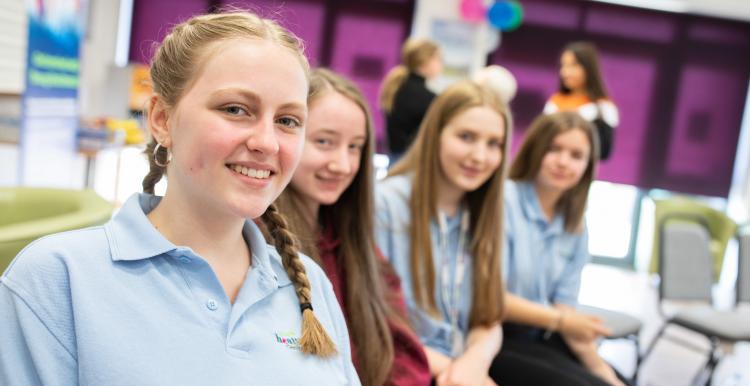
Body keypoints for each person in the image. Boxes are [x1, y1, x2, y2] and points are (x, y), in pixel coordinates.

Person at [0, 12, 360, 386]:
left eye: (288, 121)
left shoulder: (308, 284)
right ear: (161, 119)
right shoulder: (57, 278)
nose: (267, 142)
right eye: (235, 109)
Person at [275, 68, 431, 386]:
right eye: (324, 142)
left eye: (355, 147)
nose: (342, 165)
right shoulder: (256, 242)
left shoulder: (352, 240)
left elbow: (404, 351)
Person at [375, 80, 510, 386]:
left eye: (493, 144)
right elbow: (370, 321)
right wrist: (456, 371)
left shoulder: (482, 215)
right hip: (400, 366)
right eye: (466, 137)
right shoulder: (385, 205)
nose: (479, 156)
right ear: (435, 135)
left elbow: (487, 318)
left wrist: (474, 364)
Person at [491, 112, 627, 386]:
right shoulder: (503, 202)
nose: (563, 162)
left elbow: (564, 307)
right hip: (493, 336)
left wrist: (602, 369)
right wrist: (562, 321)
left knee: (617, 380)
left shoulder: (575, 224)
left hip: (542, 334)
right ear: (535, 150)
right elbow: (491, 300)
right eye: (554, 149)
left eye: (576, 155)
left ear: (587, 166)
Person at [544, 42, 618, 160]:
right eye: (563, 65)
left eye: (573, 65)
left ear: (588, 67)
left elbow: (604, 152)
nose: (565, 72)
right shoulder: (554, 102)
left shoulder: (602, 107)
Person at [379, 37, 442, 161]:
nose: (441, 64)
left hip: (394, 158)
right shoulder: (427, 98)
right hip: (411, 162)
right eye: (438, 59)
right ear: (425, 61)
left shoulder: (396, 87)